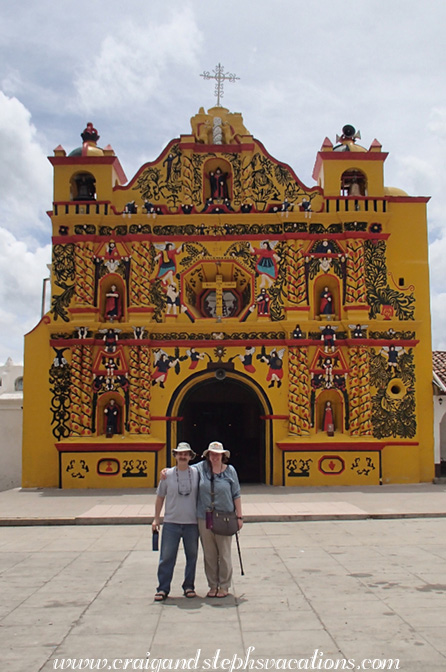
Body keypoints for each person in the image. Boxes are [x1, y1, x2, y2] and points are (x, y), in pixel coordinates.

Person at [152, 442, 199, 602]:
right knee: (166, 557)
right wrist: (156, 518)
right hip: (171, 522)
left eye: (186, 454)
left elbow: (212, 464)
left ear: (190, 456)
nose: (183, 456)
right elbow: (160, 497)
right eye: (180, 453)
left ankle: (189, 586)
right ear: (175, 456)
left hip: (191, 523)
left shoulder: (197, 473)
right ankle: (162, 588)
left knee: (192, 556)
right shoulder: (168, 475)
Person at [195, 441, 243, 598]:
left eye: (217, 454)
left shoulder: (230, 471)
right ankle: (212, 585)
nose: (214, 457)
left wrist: (239, 516)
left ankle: (224, 585)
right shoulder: (200, 469)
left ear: (223, 456)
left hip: (225, 517)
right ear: (207, 455)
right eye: (212, 454)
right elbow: (183, 470)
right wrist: (167, 472)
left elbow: (236, 494)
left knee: (224, 553)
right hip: (205, 516)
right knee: (209, 553)